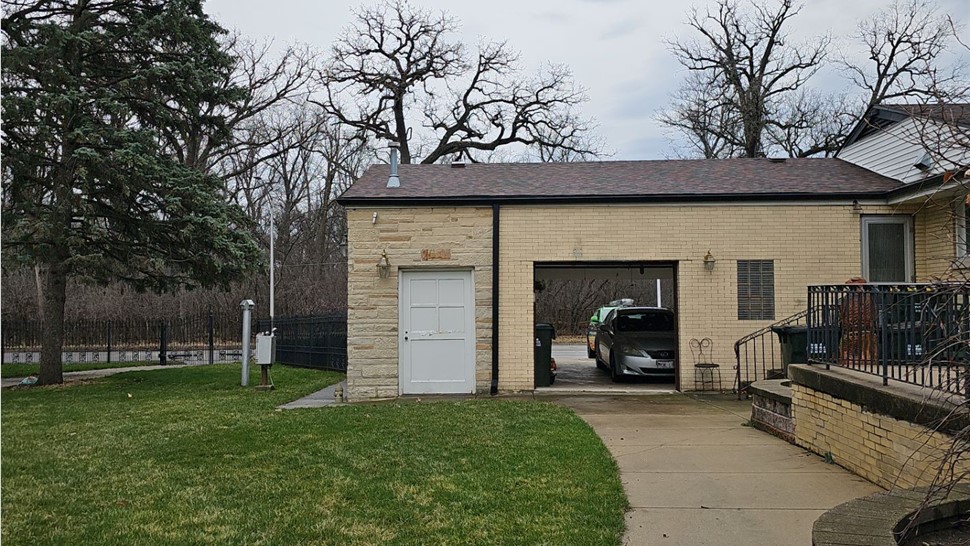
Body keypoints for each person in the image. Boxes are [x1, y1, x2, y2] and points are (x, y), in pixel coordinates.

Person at [839, 277, 877, 368]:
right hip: (859, 331)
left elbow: (842, 315)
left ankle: (863, 359)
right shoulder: (868, 297)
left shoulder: (849, 298)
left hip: (856, 331)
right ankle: (864, 359)